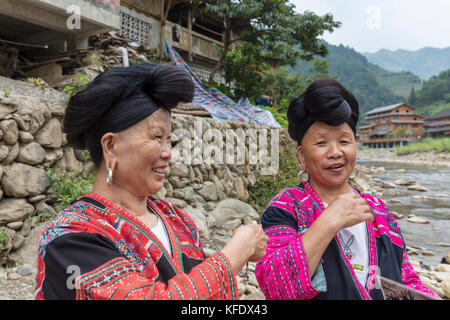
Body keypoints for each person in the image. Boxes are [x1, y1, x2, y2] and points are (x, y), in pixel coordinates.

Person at [35, 63, 267, 300]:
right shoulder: (70, 238)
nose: (168, 152)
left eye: (169, 139)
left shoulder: (178, 220)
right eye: (157, 137)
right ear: (111, 146)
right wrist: (238, 251)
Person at [254, 78, 437, 300]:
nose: (335, 152)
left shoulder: (379, 211)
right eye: (321, 143)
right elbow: (275, 286)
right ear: (302, 156)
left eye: (344, 141)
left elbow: (406, 278)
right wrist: (330, 220)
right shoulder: (286, 206)